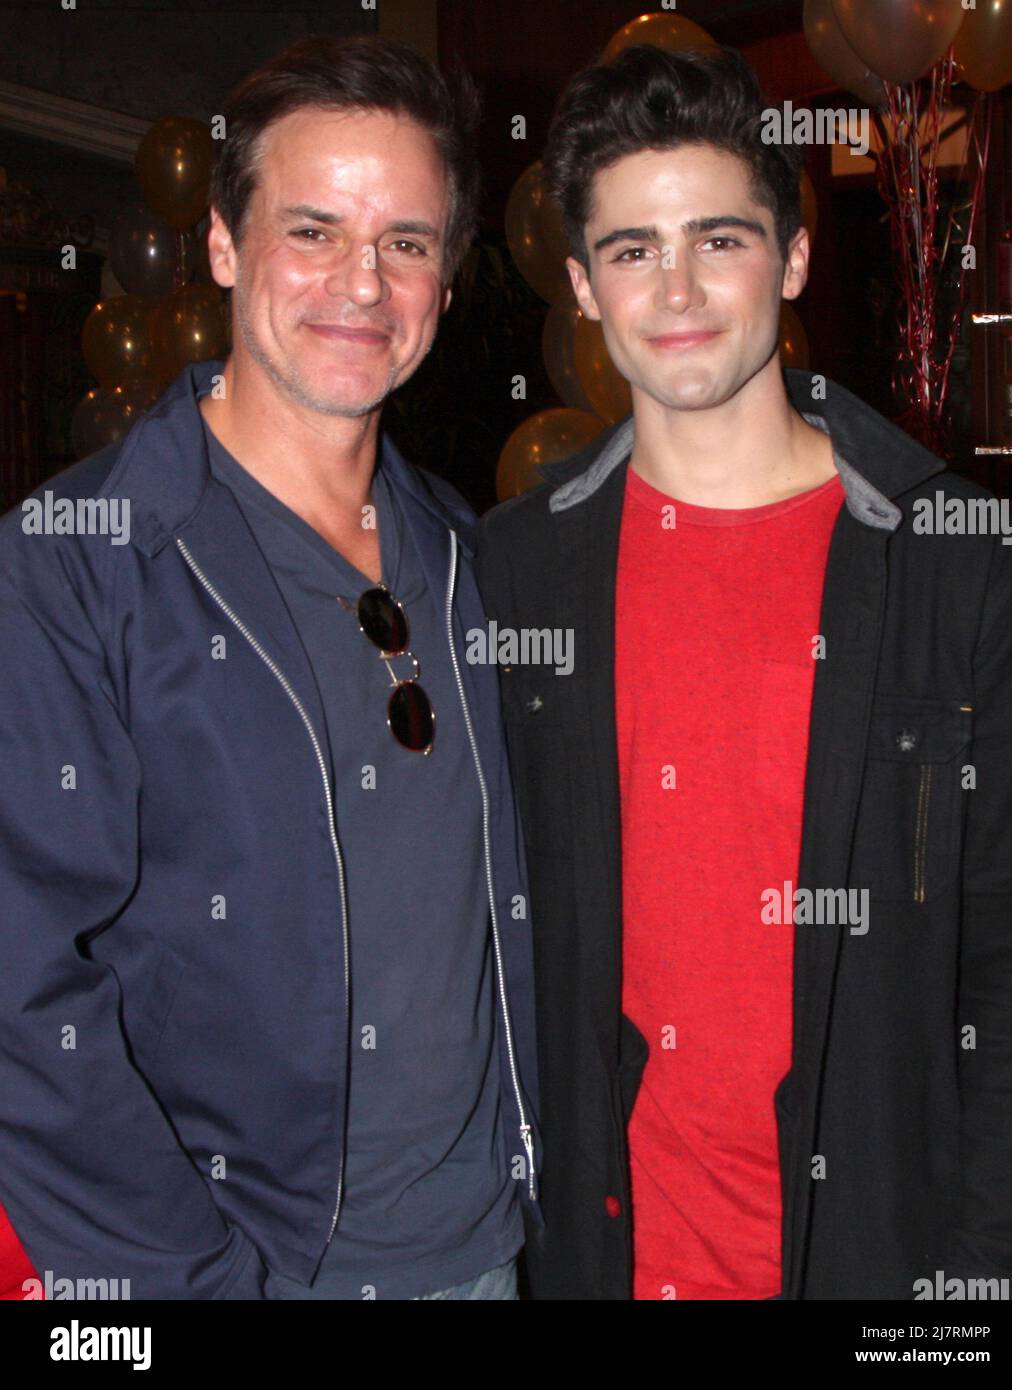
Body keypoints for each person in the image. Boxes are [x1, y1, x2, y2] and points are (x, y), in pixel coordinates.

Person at [474, 44, 1012, 1300]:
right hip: (597, 1256)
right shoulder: (506, 577)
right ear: (580, 283)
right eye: (630, 250)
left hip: (882, 1259)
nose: (674, 288)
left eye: (716, 239)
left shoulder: (962, 568)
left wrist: (988, 1277)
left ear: (787, 257)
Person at [0, 34, 540, 1301]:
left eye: (406, 241)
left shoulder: (469, 556)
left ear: (446, 283)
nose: (363, 281)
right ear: (225, 249)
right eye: (313, 229)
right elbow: (23, 991)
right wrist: (186, 1281)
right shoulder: (80, 564)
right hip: (239, 1272)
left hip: (482, 1257)